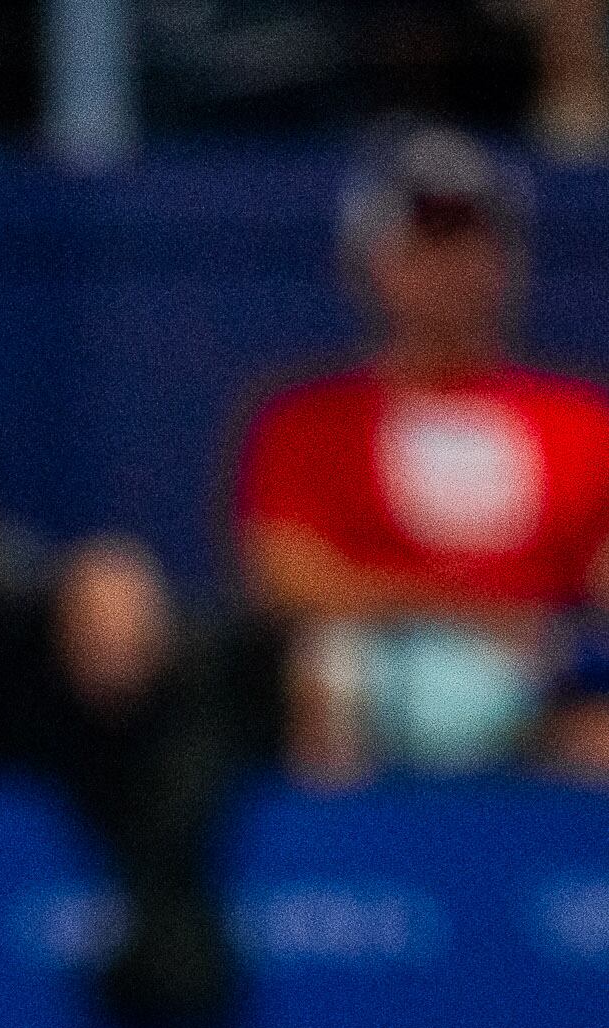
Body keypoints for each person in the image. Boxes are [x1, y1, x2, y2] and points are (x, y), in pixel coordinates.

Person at [233, 123, 609, 785]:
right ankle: (338, 883)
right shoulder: (307, 420)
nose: (449, 270)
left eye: (470, 244)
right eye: (424, 247)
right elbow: (287, 576)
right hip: (379, 670)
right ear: (371, 265)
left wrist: (552, 651)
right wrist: (469, 613)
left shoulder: (581, 418)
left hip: (545, 676)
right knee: (322, 678)